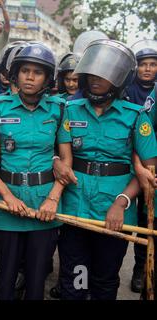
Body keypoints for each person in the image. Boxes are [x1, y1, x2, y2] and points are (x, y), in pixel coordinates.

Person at [55, 39, 157, 300]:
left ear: (120, 79)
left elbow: (148, 170)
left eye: (105, 75)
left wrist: (121, 202)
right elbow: (55, 151)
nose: (96, 80)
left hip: (115, 214)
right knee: (75, 278)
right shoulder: (69, 110)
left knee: (105, 279)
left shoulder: (135, 116)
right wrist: (56, 161)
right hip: (75, 207)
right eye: (92, 74)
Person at [0, 43, 66, 300]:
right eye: (25, 70)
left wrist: (53, 199)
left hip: (44, 206)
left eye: (37, 72)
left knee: (37, 281)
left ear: (48, 78)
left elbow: (67, 160)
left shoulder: (59, 109)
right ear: (16, 73)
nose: (30, 76)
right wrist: (7, 196)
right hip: (7, 204)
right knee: (6, 278)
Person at [125, 39, 157, 293]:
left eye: (153, 64)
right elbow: (143, 131)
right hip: (142, 158)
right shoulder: (128, 90)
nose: (147, 69)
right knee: (144, 216)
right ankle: (140, 267)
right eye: (143, 64)